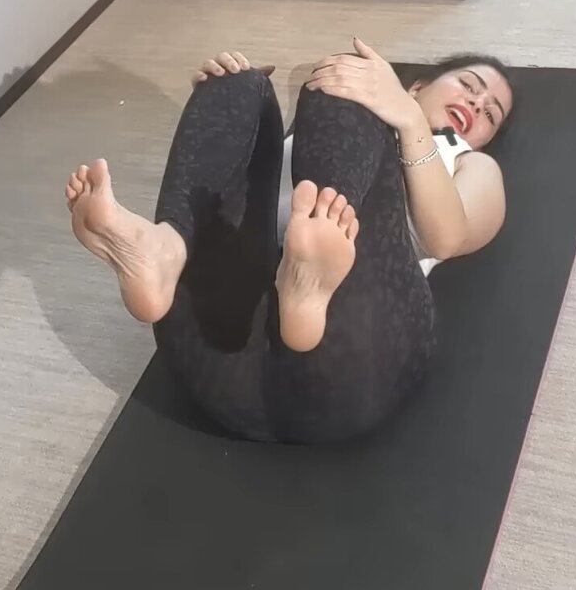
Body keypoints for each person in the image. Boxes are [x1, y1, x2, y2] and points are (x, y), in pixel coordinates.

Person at [64, 38, 516, 443]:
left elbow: (448, 238)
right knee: (239, 83)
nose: (477, 104)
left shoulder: (470, 164)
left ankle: (315, 279)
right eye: (469, 85)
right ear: (418, 85)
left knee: (345, 91)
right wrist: (221, 104)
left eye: (491, 114)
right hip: (219, 348)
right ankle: (169, 250)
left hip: (356, 358)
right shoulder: (321, 137)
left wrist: (408, 120)